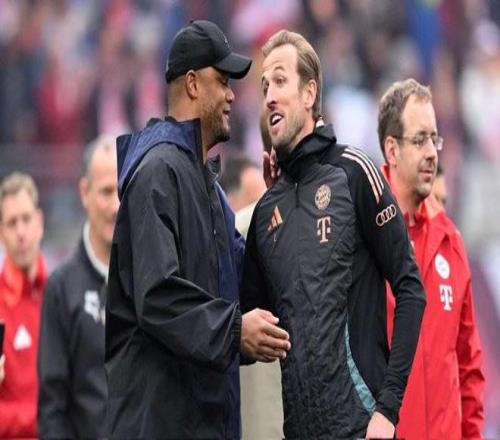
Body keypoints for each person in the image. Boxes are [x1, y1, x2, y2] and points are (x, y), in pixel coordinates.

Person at [105, 20, 290, 439]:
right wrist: (235, 330)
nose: (231, 94)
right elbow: (158, 295)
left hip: (204, 421)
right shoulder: (157, 172)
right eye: (222, 81)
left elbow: (242, 283)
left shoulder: (209, 189)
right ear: (192, 84)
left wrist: (280, 204)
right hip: (159, 425)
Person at [240, 30, 427, 439]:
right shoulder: (266, 212)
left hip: (363, 427)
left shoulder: (355, 172)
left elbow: (411, 288)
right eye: (264, 86)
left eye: (280, 80)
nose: (269, 95)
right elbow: (249, 331)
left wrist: (388, 409)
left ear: (310, 93)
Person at [378, 78, 485, 439]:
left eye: (434, 140)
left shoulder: (450, 241)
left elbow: (468, 363)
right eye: (420, 139)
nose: (431, 153)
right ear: (391, 150)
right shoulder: (360, 236)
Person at [38, 135, 119, 438]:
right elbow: (52, 407)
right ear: (84, 192)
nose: (116, 206)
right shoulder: (61, 289)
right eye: (106, 192)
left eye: (122, 191)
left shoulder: (148, 280)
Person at [0, 172, 46, 438]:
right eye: (11, 222)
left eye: (26, 219)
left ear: (39, 222)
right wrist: (42, 419)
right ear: (1, 233)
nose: (21, 232)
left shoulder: (60, 294)